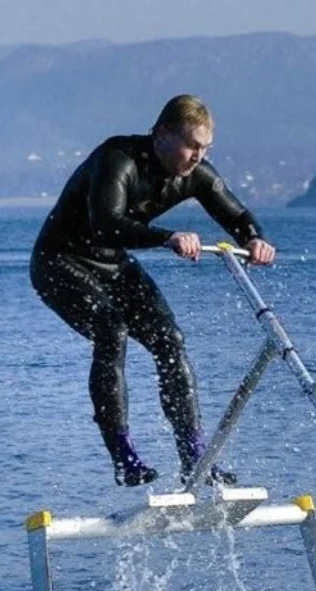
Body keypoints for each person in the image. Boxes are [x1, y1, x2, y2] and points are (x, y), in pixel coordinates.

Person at [30, 94, 276, 487]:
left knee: (170, 341)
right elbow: (105, 225)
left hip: (112, 263)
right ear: (162, 135)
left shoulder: (196, 174)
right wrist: (167, 238)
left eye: (206, 148)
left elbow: (237, 215)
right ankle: (124, 457)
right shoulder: (118, 158)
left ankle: (195, 457)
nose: (198, 156)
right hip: (59, 261)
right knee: (111, 331)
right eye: (191, 145)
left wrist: (256, 240)